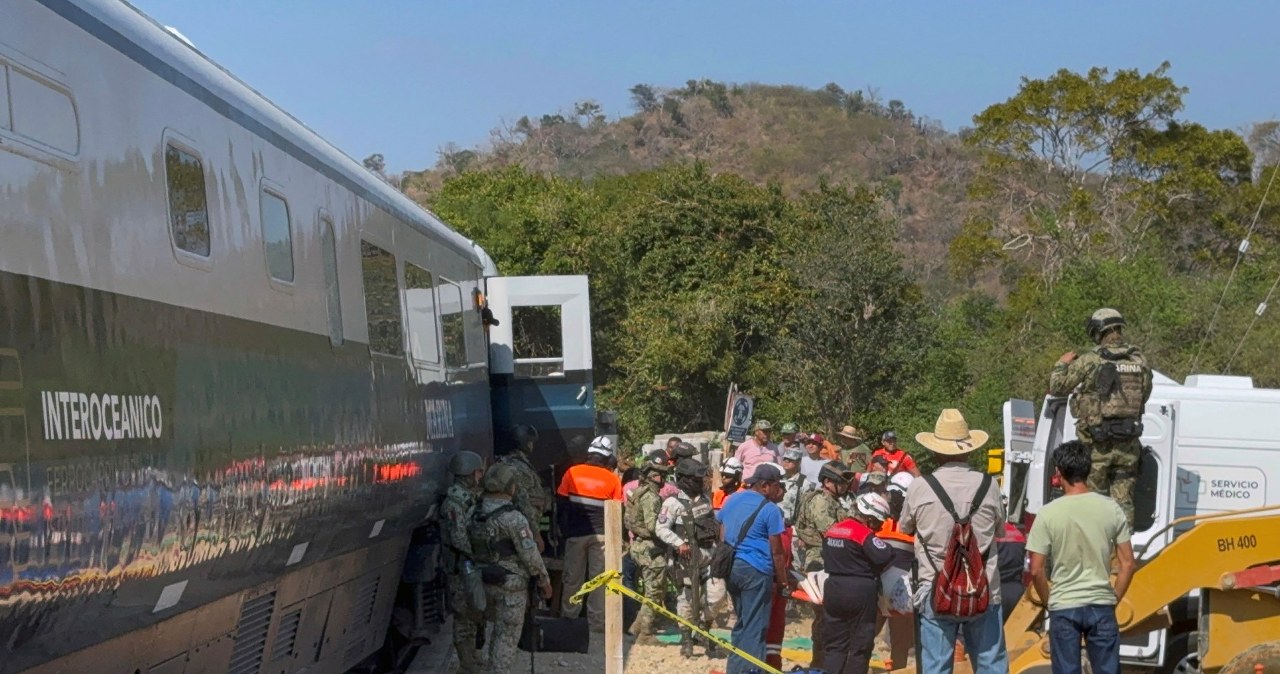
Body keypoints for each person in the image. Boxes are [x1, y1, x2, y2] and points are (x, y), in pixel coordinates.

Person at [900, 409, 1009, 674]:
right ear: (969, 449)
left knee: (936, 666)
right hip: (983, 588)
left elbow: (905, 527)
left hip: (935, 588)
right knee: (990, 664)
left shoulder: (920, 487)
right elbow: (1001, 531)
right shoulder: (989, 485)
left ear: (936, 451)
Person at [1027, 440, 1136, 674]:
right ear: (1088, 470)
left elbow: (1036, 569)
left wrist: (1049, 601)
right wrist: (1113, 597)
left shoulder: (1048, 513)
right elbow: (1128, 563)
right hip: (1101, 603)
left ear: (1059, 472)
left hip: (1064, 605)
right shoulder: (1111, 508)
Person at [1049, 308, 1153, 524]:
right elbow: (1145, 395)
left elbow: (1057, 387)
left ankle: (1097, 551)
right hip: (1128, 446)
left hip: (1097, 446)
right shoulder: (1139, 360)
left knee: (1094, 502)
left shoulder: (1091, 360)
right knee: (1123, 503)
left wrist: (1062, 363)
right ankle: (1121, 553)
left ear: (1098, 331)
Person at [469, 464, 554, 674]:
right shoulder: (514, 519)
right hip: (510, 585)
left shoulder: (473, 512)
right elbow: (530, 555)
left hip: (478, 582)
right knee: (505, 637)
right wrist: (544, 581)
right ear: (510, 487)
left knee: (483, 633)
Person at [716, 462, 788, 674]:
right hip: (756, 571)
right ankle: (752, 671)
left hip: (732, 567)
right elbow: (777, 551)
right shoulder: (771, 510)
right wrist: (783, 581)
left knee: (742, 623)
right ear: (765, 486)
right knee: (756, 627)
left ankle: (735, 669)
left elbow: (722, 532)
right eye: (777, 486)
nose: (780, 490)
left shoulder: (731, 499)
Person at [657, 459, 725, 658]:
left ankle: (702, 630)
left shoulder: (705, 498)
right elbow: (660, 528)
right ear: (684, 479)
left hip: (709, 554)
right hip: (685, 558)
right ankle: (687, 638)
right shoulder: (672, 502)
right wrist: (679, 544)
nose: (699, 481)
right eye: (695, 478)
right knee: (685, 599)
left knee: (717, 595)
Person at [557, 435, 624, 632]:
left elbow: (561, 504)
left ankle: (569, 619)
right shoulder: (612, 479)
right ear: (607, 458)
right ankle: (596, 625)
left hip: (575, 535)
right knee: (599, 580)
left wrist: (564, 531)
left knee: (572, 579)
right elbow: (617, 511)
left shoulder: (572, 472)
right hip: (602, 537)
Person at [822, 492, 894, 674]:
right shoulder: (862, 533)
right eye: (878, 522)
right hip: (859, 590)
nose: (878, 527)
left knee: (835, 645)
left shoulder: (833, 529)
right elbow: (885, 554)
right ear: (869, 517)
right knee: (860, 645)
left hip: (832, 587)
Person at [793, 460, 854, 671]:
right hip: (819, 561)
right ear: (827, 482)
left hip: (829, 561)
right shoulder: (820, 502)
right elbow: (831, 531)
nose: (845, 486)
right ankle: (820, 662)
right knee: (824, 616)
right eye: (840, 482)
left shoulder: (833, 501)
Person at [441, 451, 486, 674]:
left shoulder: (467, 497)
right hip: (460, 567)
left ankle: (472, 658)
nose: (480, 476)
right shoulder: (455, 503)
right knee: (462, 616)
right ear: (468, 473)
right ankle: (466, 663)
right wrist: (478, 555)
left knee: (474, 613)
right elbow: (459, 538)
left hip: (468, 565)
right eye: (477, 472)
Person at [625, 451, 673, 642]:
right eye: (660, 475)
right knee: (654, 591)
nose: (663, 479)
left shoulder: (639, 492)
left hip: (639, 545)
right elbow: (655, 527)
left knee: (652, 589)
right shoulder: (651, 497)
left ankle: (637, 626)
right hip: (650, 548)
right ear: (653, 476)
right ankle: (645, 633)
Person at [498, 424, 550, 552]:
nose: (532, 446)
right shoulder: (519, 468)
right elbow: (524, 501)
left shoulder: (505, 462)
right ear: (525, 443)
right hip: (524, 528)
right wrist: (536, 533)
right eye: (531, 442)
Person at [779, 447, 811, 526]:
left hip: (792, 525)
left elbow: (806, 509)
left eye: (790, 460)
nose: (786, 461)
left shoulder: (804, 483)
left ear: (798, 462)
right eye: (785, 459)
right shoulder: (777, 479)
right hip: (776, 522)